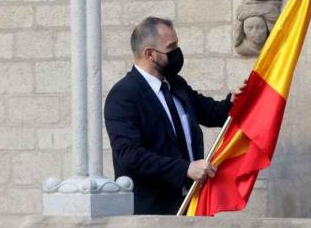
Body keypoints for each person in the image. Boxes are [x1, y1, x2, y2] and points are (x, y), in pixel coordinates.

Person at [104, 16, 244, 215]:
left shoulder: (176, 84)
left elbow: (212, 113)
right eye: (172, 47)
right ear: (150, 54)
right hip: (152, 212)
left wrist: (234, 102)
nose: (177, 52)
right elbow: (129, 155)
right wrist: (184, 169)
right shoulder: (124, 95)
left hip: (191, 204)